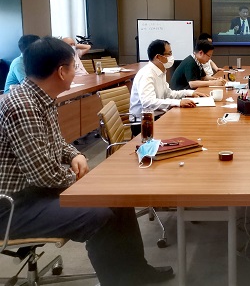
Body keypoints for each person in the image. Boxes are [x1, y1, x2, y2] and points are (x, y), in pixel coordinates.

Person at [0, 37, 174, 286]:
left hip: (35, 192)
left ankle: (137, 272)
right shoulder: (23, 107)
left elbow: (57, 142)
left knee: (119, 198)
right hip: (14, 207)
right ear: (62, 71)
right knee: (99, 215)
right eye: (74, 66)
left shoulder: (40, 98)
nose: (76, 72)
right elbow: (43, 175)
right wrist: (84, 180)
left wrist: (75, 154)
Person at [129, 39, 206, 125]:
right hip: (144, 123)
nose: (171, 57)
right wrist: (178, 102)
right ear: (158, 57)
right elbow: (148, 103)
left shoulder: (160, 71)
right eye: (169, 54)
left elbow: (168, 94)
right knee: (186, 124)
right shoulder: (146, 74)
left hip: (158, 116)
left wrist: (190, 93)